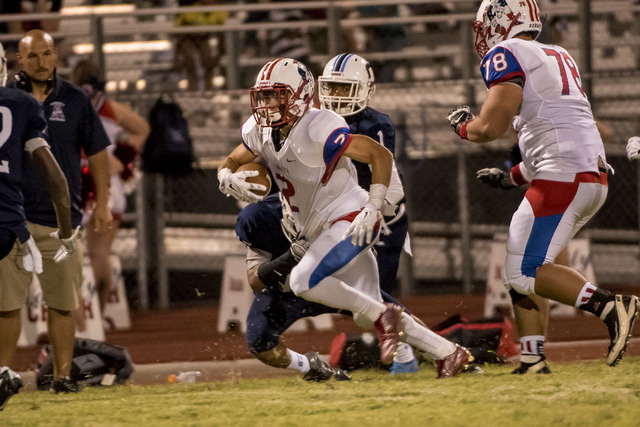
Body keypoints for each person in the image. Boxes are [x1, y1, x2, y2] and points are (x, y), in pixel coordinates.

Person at [219, 57, 470, 378]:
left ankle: (394, 332)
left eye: (275, 95)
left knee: (307, 282)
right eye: (263, 96)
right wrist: (225, 174)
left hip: (347, 218)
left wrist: (373, 206)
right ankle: (449, 352)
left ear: (299, 95)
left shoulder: (317, 126)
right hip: (313, 232)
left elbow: (378, 154)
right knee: (368, 310)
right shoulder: (259, 136)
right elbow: (233, 157)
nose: (266, 104)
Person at [446, 0, 639, 373]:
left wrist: (463, 127)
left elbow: (492, 125)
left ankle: (610, 306)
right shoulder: (557, 54)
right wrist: (511, 177)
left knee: (524, 270)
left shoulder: (508, 52)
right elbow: (552, 131)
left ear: (502, 21)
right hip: (587, 174)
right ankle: (533, 359)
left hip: (564, 175)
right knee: (525, 264)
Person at [2, 30, 112, 393]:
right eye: (32, 56)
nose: (41, 61)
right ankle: (3, 374)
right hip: (14, 216)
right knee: (7, 306)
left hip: (59, 222)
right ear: (19, 60)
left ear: (55, 56)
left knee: (63, 304)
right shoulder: (10, 99)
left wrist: (103, 203)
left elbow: (97, 153)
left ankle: (62, 376)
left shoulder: (75, 99)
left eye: (47, 53)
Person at [236, 193, 420, 380]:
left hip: (333, 282)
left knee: (402, 320)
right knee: (259, 342)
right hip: (287, 292)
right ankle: (311, 367)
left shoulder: (324, 194)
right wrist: (289, 258)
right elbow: (254, 279)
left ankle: (413, 355)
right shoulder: (260, 218)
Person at [0, 40, 74, 410]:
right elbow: (56, 179)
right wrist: (67, 229)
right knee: (6, 306)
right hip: (9, 218)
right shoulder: (22, 105)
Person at [318, 53, 409, 297]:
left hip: (381, 214)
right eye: (332, 88)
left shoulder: (375, 124)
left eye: (344, 88)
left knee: (377, 295)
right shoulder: (315, 121)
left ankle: (390, 331)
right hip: (335, 211)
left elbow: (382, 173)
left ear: (365, 90)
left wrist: (372, 207)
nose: (336, 96)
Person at [70, 59, 150, 320]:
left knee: (67, 253)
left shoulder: (67, 106)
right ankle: (99, 317)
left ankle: (79, 317)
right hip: (110, 182)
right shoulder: (112, 108)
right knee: (100, 253)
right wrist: (125, 156)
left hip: (79, 181)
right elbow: (143, 129)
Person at [173, 0, 227, 91]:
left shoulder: (219, 11)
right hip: (188, 38)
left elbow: (220, 33)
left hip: (204, 38)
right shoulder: (191, 10)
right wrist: (177, 54)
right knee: (191, 62)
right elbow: (181, 34)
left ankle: (208, 91)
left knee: (208, 61)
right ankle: (193, 92)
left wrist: (219, 53)